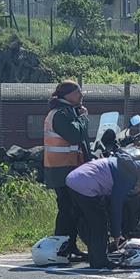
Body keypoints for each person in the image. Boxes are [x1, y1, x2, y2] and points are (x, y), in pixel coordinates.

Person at [65, 152, 140, 269]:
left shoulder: (116, 161)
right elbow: (116, 207)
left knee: (90, 222)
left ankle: (94, 257)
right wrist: (117, 234)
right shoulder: (128, 177)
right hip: (85, 185)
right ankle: (100, 261)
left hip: (72, 180)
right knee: (99, 223)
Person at [43, 80, 91, 261]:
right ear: (68, 94)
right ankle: (62, 248)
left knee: (72, 209)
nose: (81, 96)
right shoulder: (60, 114)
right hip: (61, 169)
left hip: (70, 168)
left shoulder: (69, 112)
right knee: (66, 209)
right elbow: (75, 135)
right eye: (78, 92)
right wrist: (84, 118)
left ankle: (70, 246)